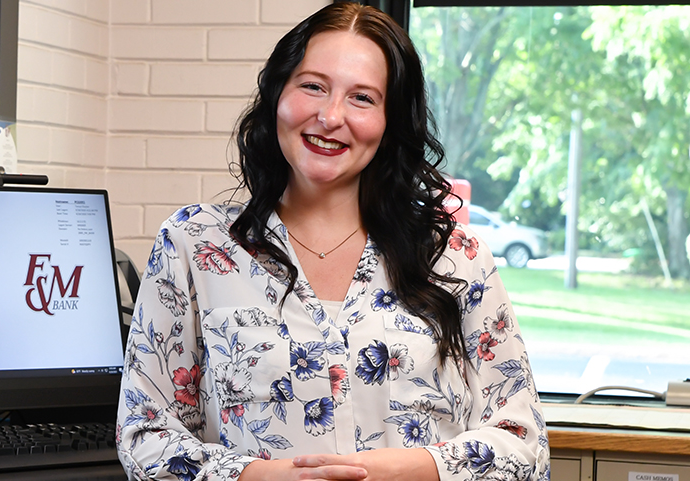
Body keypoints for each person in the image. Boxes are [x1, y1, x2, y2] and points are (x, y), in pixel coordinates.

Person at [115, 3, 550, 480]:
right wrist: (265, 478)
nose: (330, 115)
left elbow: (522, 440)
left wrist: (409, 469)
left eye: (363, 98)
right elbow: (145, 433)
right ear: (277, 95)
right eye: (313, 86)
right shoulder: (193, 244)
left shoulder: (456, 257)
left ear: (390, 123)